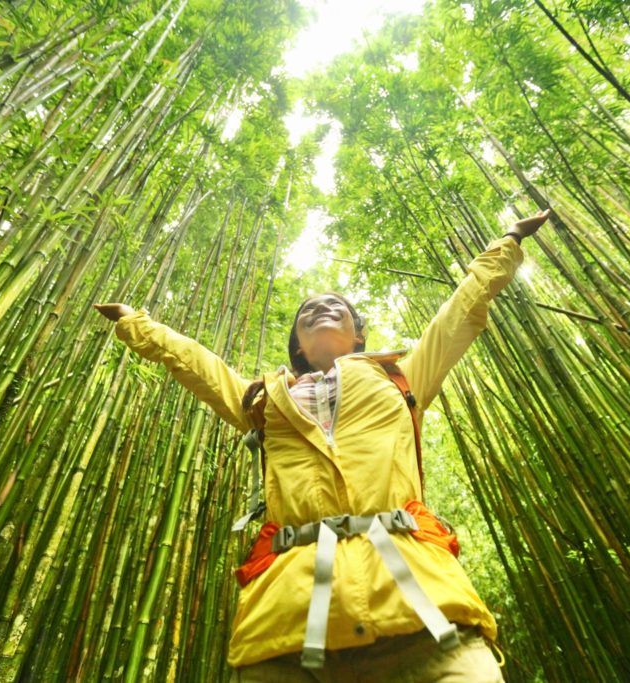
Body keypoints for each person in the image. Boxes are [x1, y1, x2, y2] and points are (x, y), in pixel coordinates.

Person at [95, 209, 549, 682]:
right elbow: (195, 363)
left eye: (337, 305)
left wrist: (510, 240)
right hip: (290, 629)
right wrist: (134, 323)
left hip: (425, 615)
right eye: (307, 310)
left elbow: (463, 309)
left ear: (358, 334)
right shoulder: (263, 400)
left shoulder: (401, 379)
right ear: (297, 343)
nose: (320, 307)